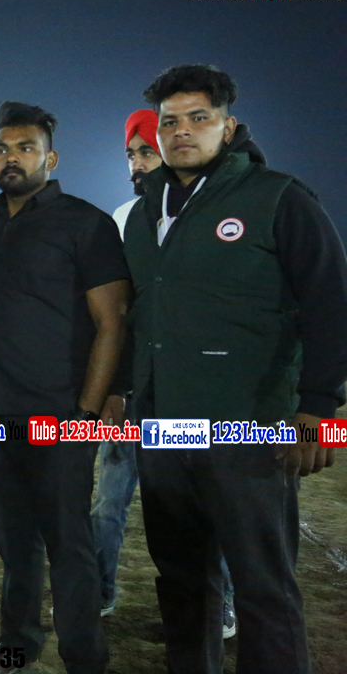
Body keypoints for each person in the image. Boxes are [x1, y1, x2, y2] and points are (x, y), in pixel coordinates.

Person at [127, 64, 347, 674]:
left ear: (228, 128)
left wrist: (320, 412)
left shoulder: (278, 197)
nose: (181, 131)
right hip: (164, 429)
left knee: (262, 586)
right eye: (170, 121)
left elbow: (330, 304)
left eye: (198, 117)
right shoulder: (146, 209)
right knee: (181, 583)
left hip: (248, 428)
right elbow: (141, 312)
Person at [0, 102, 129, 674]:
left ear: (50, 159)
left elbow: (112, 323)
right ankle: (18, 644)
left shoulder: (86, 224)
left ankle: (84, 656)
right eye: (2, 149)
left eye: (25, 148)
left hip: (57, 416)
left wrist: (86, 411)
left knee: (68, 545)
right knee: (14, 545)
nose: (11, 158)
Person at [95, 109, 238, 637]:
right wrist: (114, 386)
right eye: (131, 154)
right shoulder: (124, 216)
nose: (137, 163)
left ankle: (217, 605)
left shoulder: (212, 214)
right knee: (109, 502)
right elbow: (117, 313)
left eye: (145, 152)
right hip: (134, 391)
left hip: (188, 394)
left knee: (200, 509)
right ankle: (98, 592)